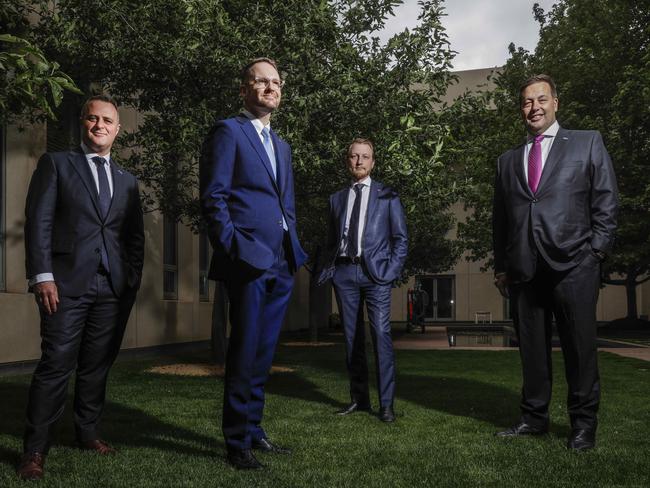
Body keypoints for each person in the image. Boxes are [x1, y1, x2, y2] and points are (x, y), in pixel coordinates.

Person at [18, 95, 145, 480]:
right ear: (82, 124)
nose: (99, 125)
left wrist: (131, 280)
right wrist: (43, 276)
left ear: (117, 130)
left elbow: (134, 238)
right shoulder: (57, 164)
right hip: (65, 284)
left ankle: (87, 433)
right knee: (56, 365)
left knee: (96, 367)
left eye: (107, 120)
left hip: (112, 289)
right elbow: (37, 221)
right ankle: (35, 451)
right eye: (92, 118)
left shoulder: (127, 181)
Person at [492, 74, 618, 451]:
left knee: (580, 350)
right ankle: (534, 418)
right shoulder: (507, 160)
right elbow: (500, 219)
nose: (534, 108)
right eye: (528, 102)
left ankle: (583, 425)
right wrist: (502, 265)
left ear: (556, 103)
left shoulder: (587, 142)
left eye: (541, 100)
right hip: (524, 269)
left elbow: (606, 201)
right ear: (522, 109)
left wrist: (596, 251)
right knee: (532, 351)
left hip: (575, 264)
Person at [200, 57, 307, 469]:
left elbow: (287, 205)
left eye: (276, 82)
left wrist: (292, 249)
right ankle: (235, 443)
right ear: (244, 89)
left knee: (263, 353)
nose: (270, 88)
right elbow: (214, 198)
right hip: (247, 260)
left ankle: (254, 430)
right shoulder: (229, 131)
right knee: (244, 351)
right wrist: (234, 247)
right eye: (261, 81)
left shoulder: (282, 145)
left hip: (280, 261)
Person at [318, 138, 408, 423]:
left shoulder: (388, 195)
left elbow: (401, 239)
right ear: (348, 160)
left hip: (375, 275)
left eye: (365, 157)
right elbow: (331, 241)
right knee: (351, 339)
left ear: (373, 162)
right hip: (345, 275)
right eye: (354, 156)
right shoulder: (336, 199)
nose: (359, 161)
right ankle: (359, 399)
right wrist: (329, 269)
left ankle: (386, 405)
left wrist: (390, 271)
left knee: (380, 336)